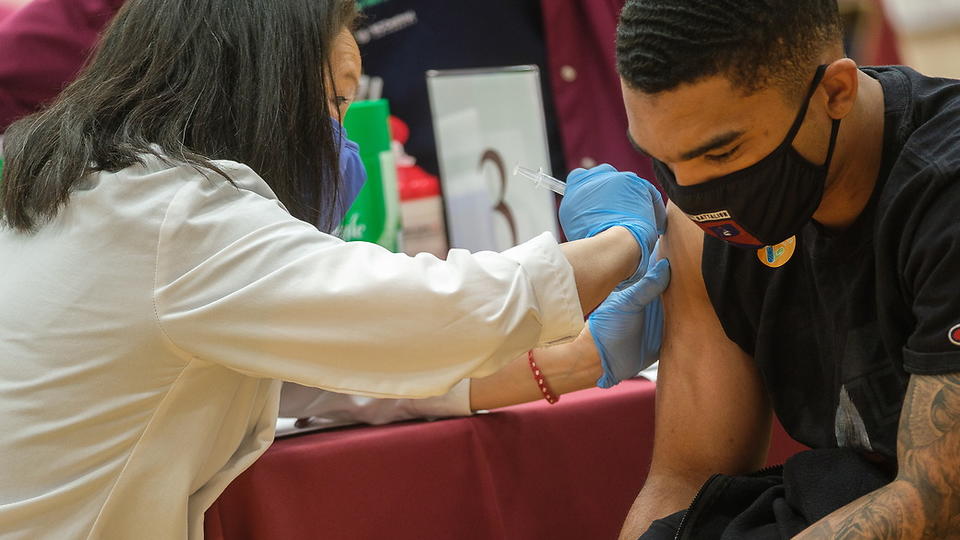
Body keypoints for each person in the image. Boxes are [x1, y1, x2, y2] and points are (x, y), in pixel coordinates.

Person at [0, 1, 668, 539]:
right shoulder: (180, 220)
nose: (343, 139)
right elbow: (432, 316)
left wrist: (579, 359)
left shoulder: (94, 191)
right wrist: (623, 241)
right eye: (335, 101)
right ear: (259, 92)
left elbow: (338, 373)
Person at [612, 1, 960, 539]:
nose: (693, 194)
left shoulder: (944, 192)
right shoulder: (698, 230)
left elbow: (936, 503)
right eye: (663, 160)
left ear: (835, 92)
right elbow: (684, 480)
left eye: (722, 153)